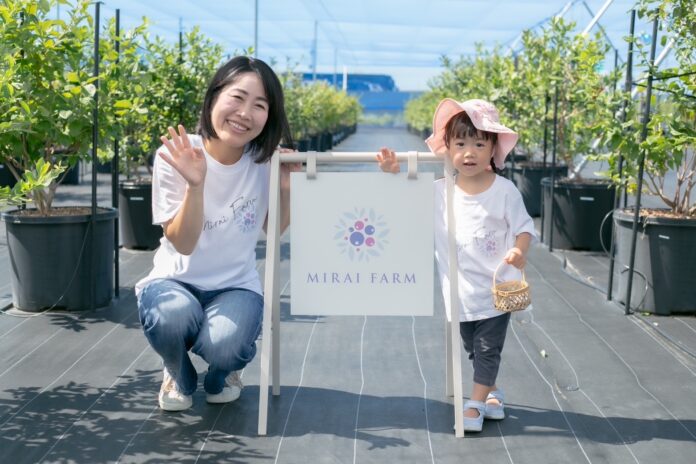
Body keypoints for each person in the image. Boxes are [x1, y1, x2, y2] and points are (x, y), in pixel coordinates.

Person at [135, 56, 295, 411]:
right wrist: (196, 184)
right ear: (214, 97)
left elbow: (273, 229)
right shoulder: (176, 154)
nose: (244, 113)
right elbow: (184, 242)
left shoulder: (265, 160)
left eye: (259, 105)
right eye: (237, 98)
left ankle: (222, 375)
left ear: (270, 115)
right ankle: (178, 373)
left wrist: (285, 188)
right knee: (170, 315)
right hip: (175, 281)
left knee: (226, 343)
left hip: (235, 285)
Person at [377, 98, 535, 432]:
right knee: (472, 348)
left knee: (487, 348)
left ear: (493, 148)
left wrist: (519, 251)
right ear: (447, 148)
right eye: (460, 144)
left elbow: (524, 227)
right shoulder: (440, 193)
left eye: (479, 144)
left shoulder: (504, 192)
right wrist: (394, 173)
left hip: (496, 290)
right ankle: (492, 392)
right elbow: (405, 203)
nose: (469, 152)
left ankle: (475, 403)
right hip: (459, 293)